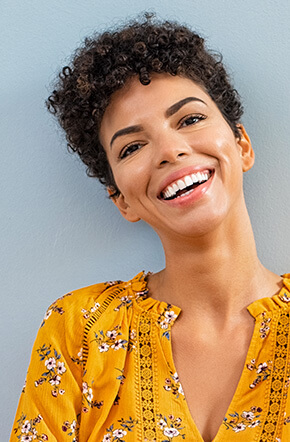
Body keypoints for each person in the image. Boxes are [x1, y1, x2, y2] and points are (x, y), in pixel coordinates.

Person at [10, 14, 290, 442]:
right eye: (133, 146)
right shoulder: (79, 330)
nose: (170, 150)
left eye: (190, 120)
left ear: (242, 144)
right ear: (121, 199)